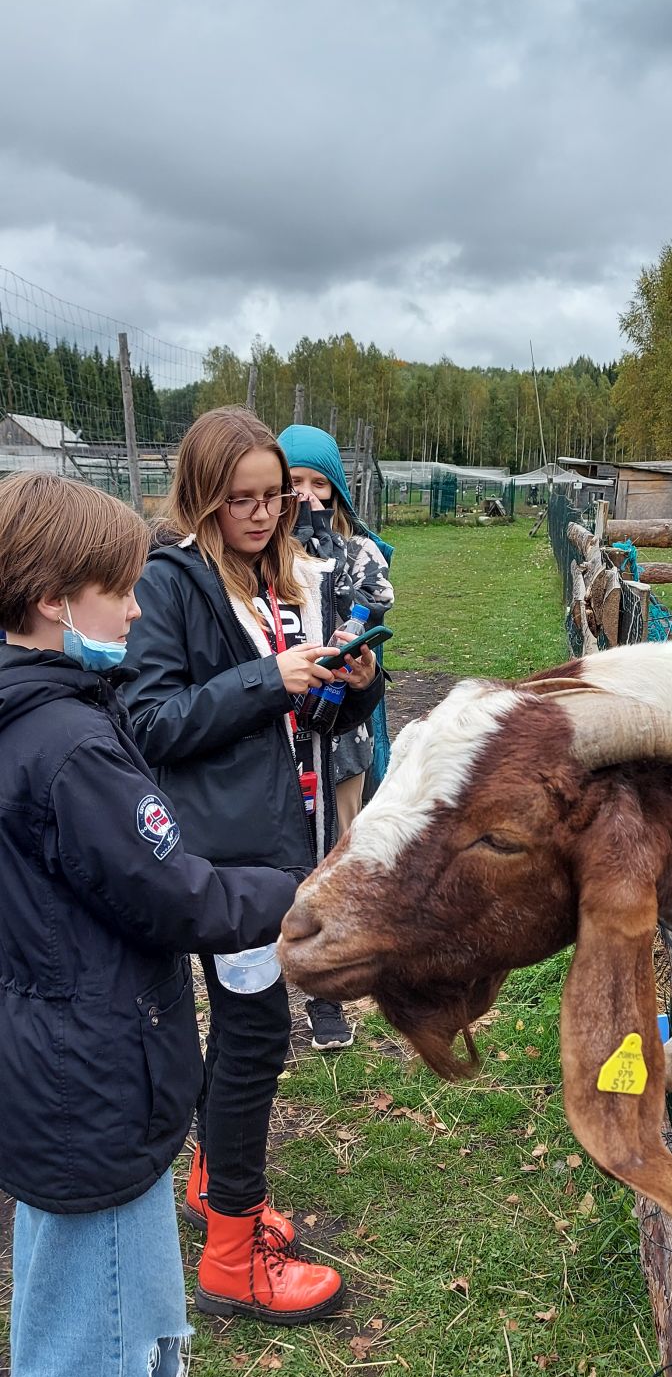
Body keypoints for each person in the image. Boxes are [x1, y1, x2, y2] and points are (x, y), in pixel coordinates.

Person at [0, 472, 300, 1377]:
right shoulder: (71, 747)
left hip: (49, 1070)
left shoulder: (28, 713)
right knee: (119, 1357)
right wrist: (306, 894)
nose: (136, 608)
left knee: (70, 1329)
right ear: (53, 601)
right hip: (98, 1088)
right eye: (117, 590)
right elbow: (178, 891)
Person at [123, 407, 383, 1323]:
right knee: (257, 1037)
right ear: (201, 497)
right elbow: (150, 720)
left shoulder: (277, 576)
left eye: (275, 497)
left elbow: (295, 728)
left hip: (281, 840)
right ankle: (233, 1254)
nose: (266, 513)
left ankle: (209, 1182)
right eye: (242, 499)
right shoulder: (171, 583)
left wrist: (351, 689)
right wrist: (271, 677)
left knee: (245, 1034)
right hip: (222, 856)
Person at [277, 424, 394, 1051]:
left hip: (339, 738)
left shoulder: (356, 553)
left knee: (334, 857)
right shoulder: (257, 563)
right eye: (291, 484)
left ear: (337, 491)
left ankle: (327, 994)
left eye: (317, 484)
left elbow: (367, 616)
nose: (305, 498)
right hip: (273, 738)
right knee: (279, 858)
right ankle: (270, 974)